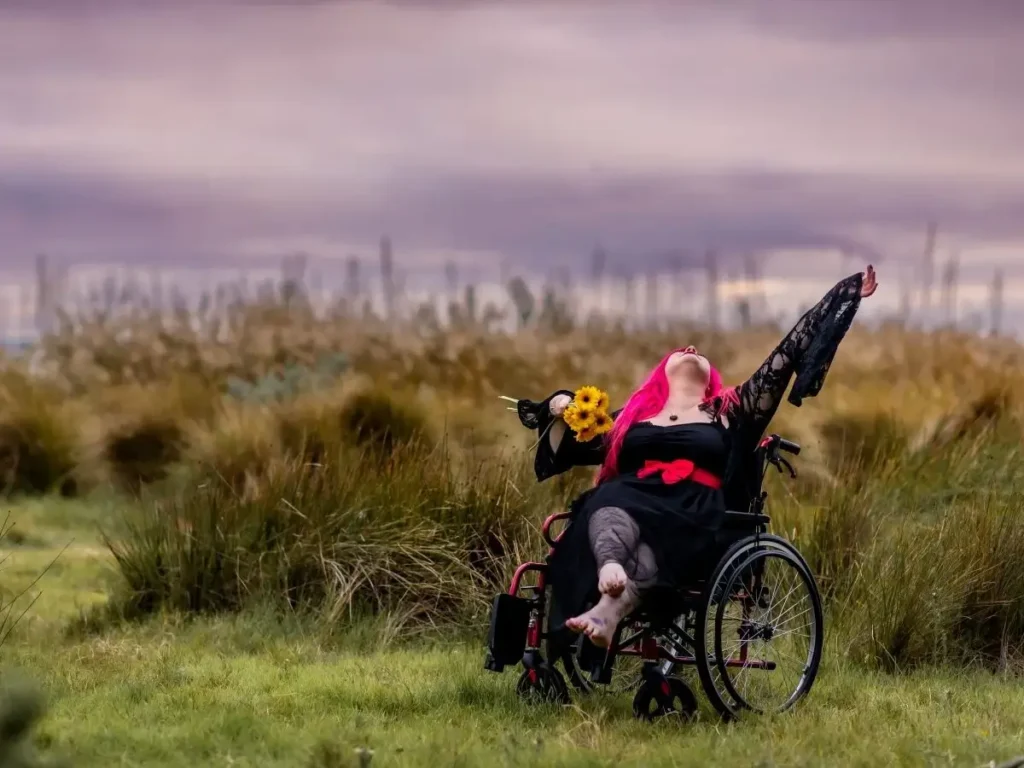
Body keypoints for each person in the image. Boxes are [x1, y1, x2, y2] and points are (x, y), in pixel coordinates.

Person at [515, 266, 878, 648]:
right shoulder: (631, 419)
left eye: (699, 353)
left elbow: (788, 352)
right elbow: (573, 444)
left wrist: (847, 293)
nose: (691, 350)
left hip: (691, 508)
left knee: (656, 539)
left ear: (711, 379)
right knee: (606, 503)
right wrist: (558, 406)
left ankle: (608, 608)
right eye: (680, 351)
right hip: (629, 500)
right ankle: (609, 575)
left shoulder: (731, 411)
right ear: (660, 375)